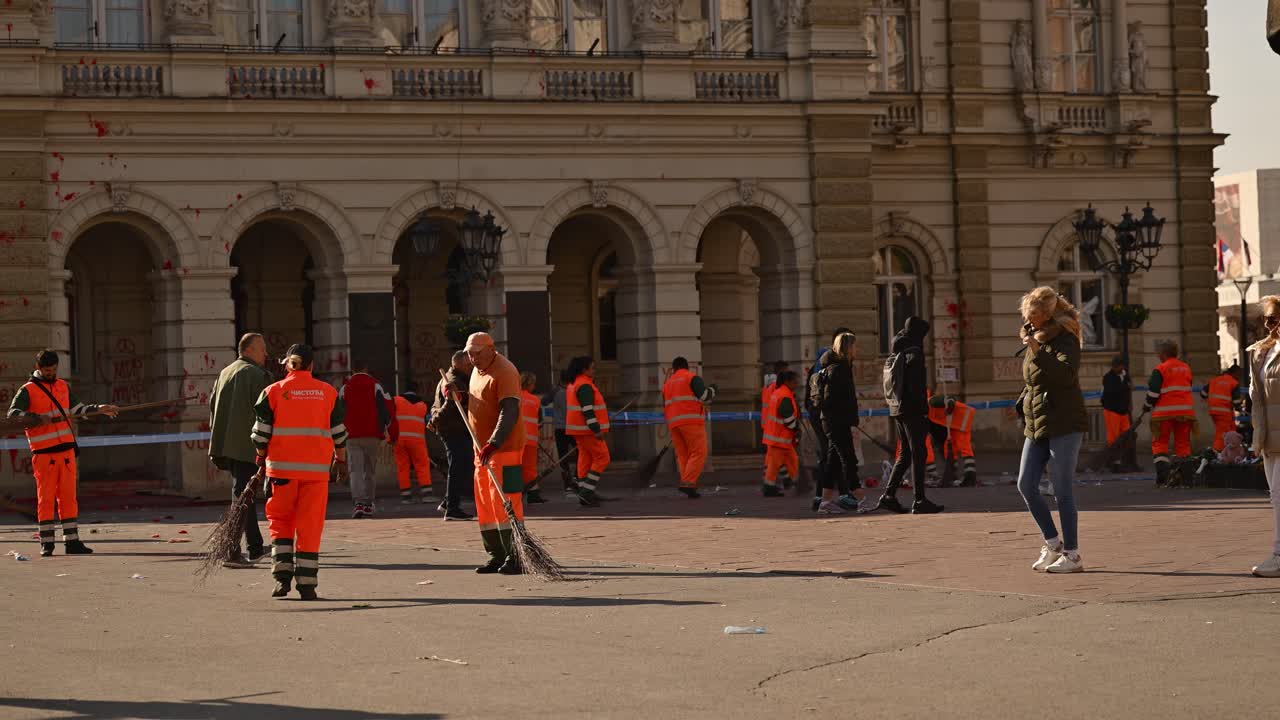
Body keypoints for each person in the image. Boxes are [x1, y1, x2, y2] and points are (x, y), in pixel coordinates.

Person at [250, 344, 347, 600]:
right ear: (312, 365)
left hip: (280, 471)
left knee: (280, 522)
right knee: (310, 526)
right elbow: (339, 433)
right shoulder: (328, 393)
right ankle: (307, 585)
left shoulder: (272, 391)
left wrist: (260, 458)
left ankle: (281, 580)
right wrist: (341, 460)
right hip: (316, 474)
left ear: (287, 364)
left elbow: (260, 434)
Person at [6, 350, 119, 557]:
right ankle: (47, 543)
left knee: (68, 498)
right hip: (44, 454)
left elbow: (78, 410)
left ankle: (72, 542)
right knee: (46, 498)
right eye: (47, 370)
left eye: (54, 370)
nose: (51, 373)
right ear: (39, 368)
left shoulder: (63, 387)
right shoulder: (27, 390)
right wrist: (36, 417)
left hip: (66, 451)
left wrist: (100, 408)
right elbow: (13, 415)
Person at [1014, 287, 1088, 574]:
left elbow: (1065, 375)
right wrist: (1023, 400)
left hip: (1065, 422)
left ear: (1047, 315)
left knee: (1062, 490)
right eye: (1027, 318)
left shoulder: (1066, 337)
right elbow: (1035, 380)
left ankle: (1072, 553)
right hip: (1038, 422)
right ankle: (1052, 542)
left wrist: (1036, 348)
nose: (1029, 323)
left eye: (1034, 318)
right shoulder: (1039, 337)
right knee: (1025, 484)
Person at [458, 332, 526, 574]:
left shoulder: (505, 371)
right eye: (469, 353)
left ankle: (516, 555)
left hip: (503, 448)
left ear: (491, 349)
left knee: (506, 501)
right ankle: (496, 554)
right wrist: (459, 396)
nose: (472, 358)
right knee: (485, 503)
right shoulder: (477, 370)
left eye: (476, 353)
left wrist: (494, 442)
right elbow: (481, 401)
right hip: (482, 448)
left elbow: (509, 411)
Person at [209, 332, 273, 568]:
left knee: (243, 494)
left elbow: (212, 408)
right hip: (250, 445)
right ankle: (233, 551)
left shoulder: (226, 372)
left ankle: (252, 547)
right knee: (244, 496)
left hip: (229, 444)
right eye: (261, 348)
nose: (266, 353)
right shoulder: (256, 375)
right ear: (247, 350)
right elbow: (268, 411)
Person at [876, 317, 944, 515]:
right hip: (913, 410)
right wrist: (923, 411)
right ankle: (920, 500)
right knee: (918, 453)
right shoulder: (914, 353)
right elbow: (916, 388)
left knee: (905, 454)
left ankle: (888, 496)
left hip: (897, 407)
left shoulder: (898, 349)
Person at [1246, 295, 1280, 577]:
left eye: (1275, 318)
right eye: (1267, 319)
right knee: (1274, 495)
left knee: (1279, 496)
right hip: (1269, 435)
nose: (1270, 325)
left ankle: (1279, 554)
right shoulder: (1260, 352)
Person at [814, 332, 866, 514]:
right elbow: (832, 399)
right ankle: (861, 498)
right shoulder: (839, 369)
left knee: (834, 461)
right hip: (836, 421)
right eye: (855, 346)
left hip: (834, 420)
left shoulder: (839, 367)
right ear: (848, 348)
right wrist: (847, 416)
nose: (857, 349)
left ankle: (825, 503)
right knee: (849, 459)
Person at [805, 327, 851, 511]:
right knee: (834, 455)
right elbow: (833, 394)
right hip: (828, 417)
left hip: (820, 415)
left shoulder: (821, 361)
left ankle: (824, 496)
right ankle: (841, 495)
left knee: (830, 455)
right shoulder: (832, 362)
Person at [340, 360, 392, 518]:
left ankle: (358, 503)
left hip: (351, 435)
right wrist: (386, 429)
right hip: (372, 434)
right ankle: (369, 503)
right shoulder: (376, 385)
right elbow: (386, 408)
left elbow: (339, 412)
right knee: (369, 470)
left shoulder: (345, 388)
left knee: (355, 470)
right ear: (366, 369)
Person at [428, 351, 475, 521]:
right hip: (453, 429)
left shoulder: (457, 379)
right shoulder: (453, 381)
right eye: (468, 365)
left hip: (455, 428)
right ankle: (453, 508)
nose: (471, 367)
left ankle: (448, 502)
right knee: (459, 465)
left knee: (461, 463)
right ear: (458, 364)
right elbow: (450, 406)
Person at [662, 357, 717, 498]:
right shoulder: (691, 378)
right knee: (699, 452)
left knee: (683, 455)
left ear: (673, 369)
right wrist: (713, 389)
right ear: (687, 367)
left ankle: (689, 485)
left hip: (674, 424)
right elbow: (705, 396)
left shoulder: (667, 384)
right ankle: (688, 482)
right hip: (691, 421)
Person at [1143, 341, 1197, 487]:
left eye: (1159, 353)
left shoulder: (1160, 369)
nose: (1158, 356)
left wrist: (1147, 406)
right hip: (1185, 413)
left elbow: (1153, 393)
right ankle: (1185, 479)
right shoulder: (1185, 368)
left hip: (1164, 414)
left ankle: (1164, 477)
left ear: (1164, 354)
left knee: (1160, 444)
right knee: (1183, 444)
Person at [566, 355, 611, 507]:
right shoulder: (585, 385)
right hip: (588, 431)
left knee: (584, 459)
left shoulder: (575, 384)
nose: (595, 370)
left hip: (578, 430)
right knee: (603, 457)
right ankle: (587, 492)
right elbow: (588, 410)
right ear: (584, 370)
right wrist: (596, 429)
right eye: (592, 368)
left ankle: (584, 490)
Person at [761, 370, 801, 497]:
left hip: (778, 438)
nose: (797, 384)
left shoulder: (779, 393)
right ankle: (768, 487)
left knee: (792, 460)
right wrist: (796, 429)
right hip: (780, 438)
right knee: (774, 465)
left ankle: (799, 482)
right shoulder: (785, 395)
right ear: (787, 382)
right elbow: (787, 417)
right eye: (795, 381)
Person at [925, 391, 977, 487]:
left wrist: (949, 405)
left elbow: (950, 399)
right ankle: (952, 474)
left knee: (964, 448)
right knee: (949, 449)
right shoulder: (925, 413)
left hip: (961, 418)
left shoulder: (931, 401)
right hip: (953, 424)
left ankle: (970, 477)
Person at [393, 381, 432, 505]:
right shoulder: (423, 405)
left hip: (399, 440)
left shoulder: (396, 401)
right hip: (417, 441)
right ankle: (426, 495)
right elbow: (428, 421)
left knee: (402, 467)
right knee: (422, 465)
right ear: (417, 390)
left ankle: (406, 497)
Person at [542, 369, 577, 496]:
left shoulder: (556, 391)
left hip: (560, 429)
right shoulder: (574, 389)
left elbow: (544, 401)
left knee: (563, 457)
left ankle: (568, 484)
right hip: (574, 428)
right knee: (580, 454)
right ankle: (577, 480)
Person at [1101, 356, 1134, 472]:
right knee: (1113, 438)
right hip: (1112, 410)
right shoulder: (1108, 377)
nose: (1118, 368)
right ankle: (1114, 462)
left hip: (1123, 411)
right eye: (1116, 366)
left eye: (1119, 366)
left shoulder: (1126, 377)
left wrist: (1129, 404)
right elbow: (1112, 392)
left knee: (1125, 436)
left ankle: (1122, 460)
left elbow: (1128, 392)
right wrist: (1126, 386)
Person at [519, 371, 547, 504]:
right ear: (529, 384)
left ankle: (513, 494)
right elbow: (540, 423)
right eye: (533, 384)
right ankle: (533, 494)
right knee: (530, 468)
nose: (534, 387)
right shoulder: (535, 400)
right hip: (530, 440)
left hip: (514, 440)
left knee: (513, 466)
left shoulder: (514, 397)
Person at [1201, 364, 1243, 452]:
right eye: (1239, 374)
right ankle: (1217, 453)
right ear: (1234, 373)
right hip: (1224, 412)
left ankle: (1232, 452)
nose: (1239, 377)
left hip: (1214, 411)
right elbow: (1236, 402)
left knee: (1231, 431)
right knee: (1222, 434)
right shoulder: (1234, 383)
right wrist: (1240, 409)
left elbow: (1203, 393)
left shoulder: (1215, 380)